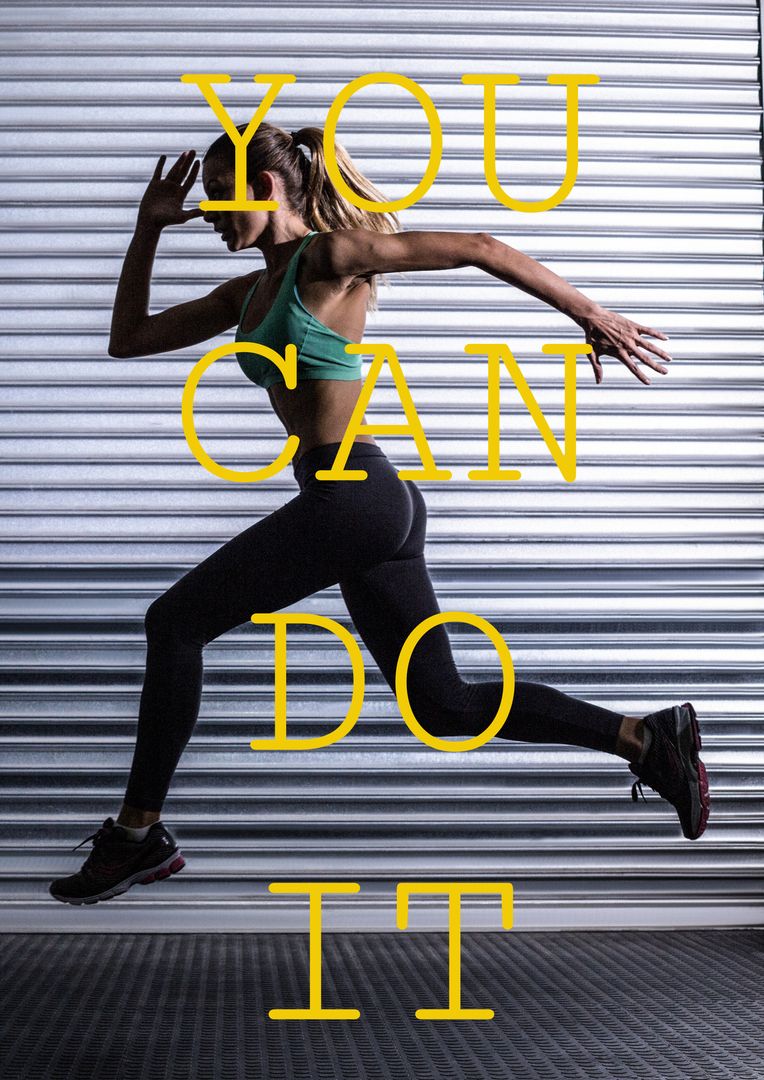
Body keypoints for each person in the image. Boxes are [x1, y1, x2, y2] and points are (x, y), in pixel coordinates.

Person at [49, 123, 710, 906]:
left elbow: (479, 247)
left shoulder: (329, 258)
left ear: (265, 187)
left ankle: (136, 836)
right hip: (361, 501)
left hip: (353, 496)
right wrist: (146, 230)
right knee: (445, 704)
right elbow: (127, 339)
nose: (209, 214)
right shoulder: (246, 293)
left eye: (219, 196)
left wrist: (588, 313)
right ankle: (646, 739)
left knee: (174, 623)